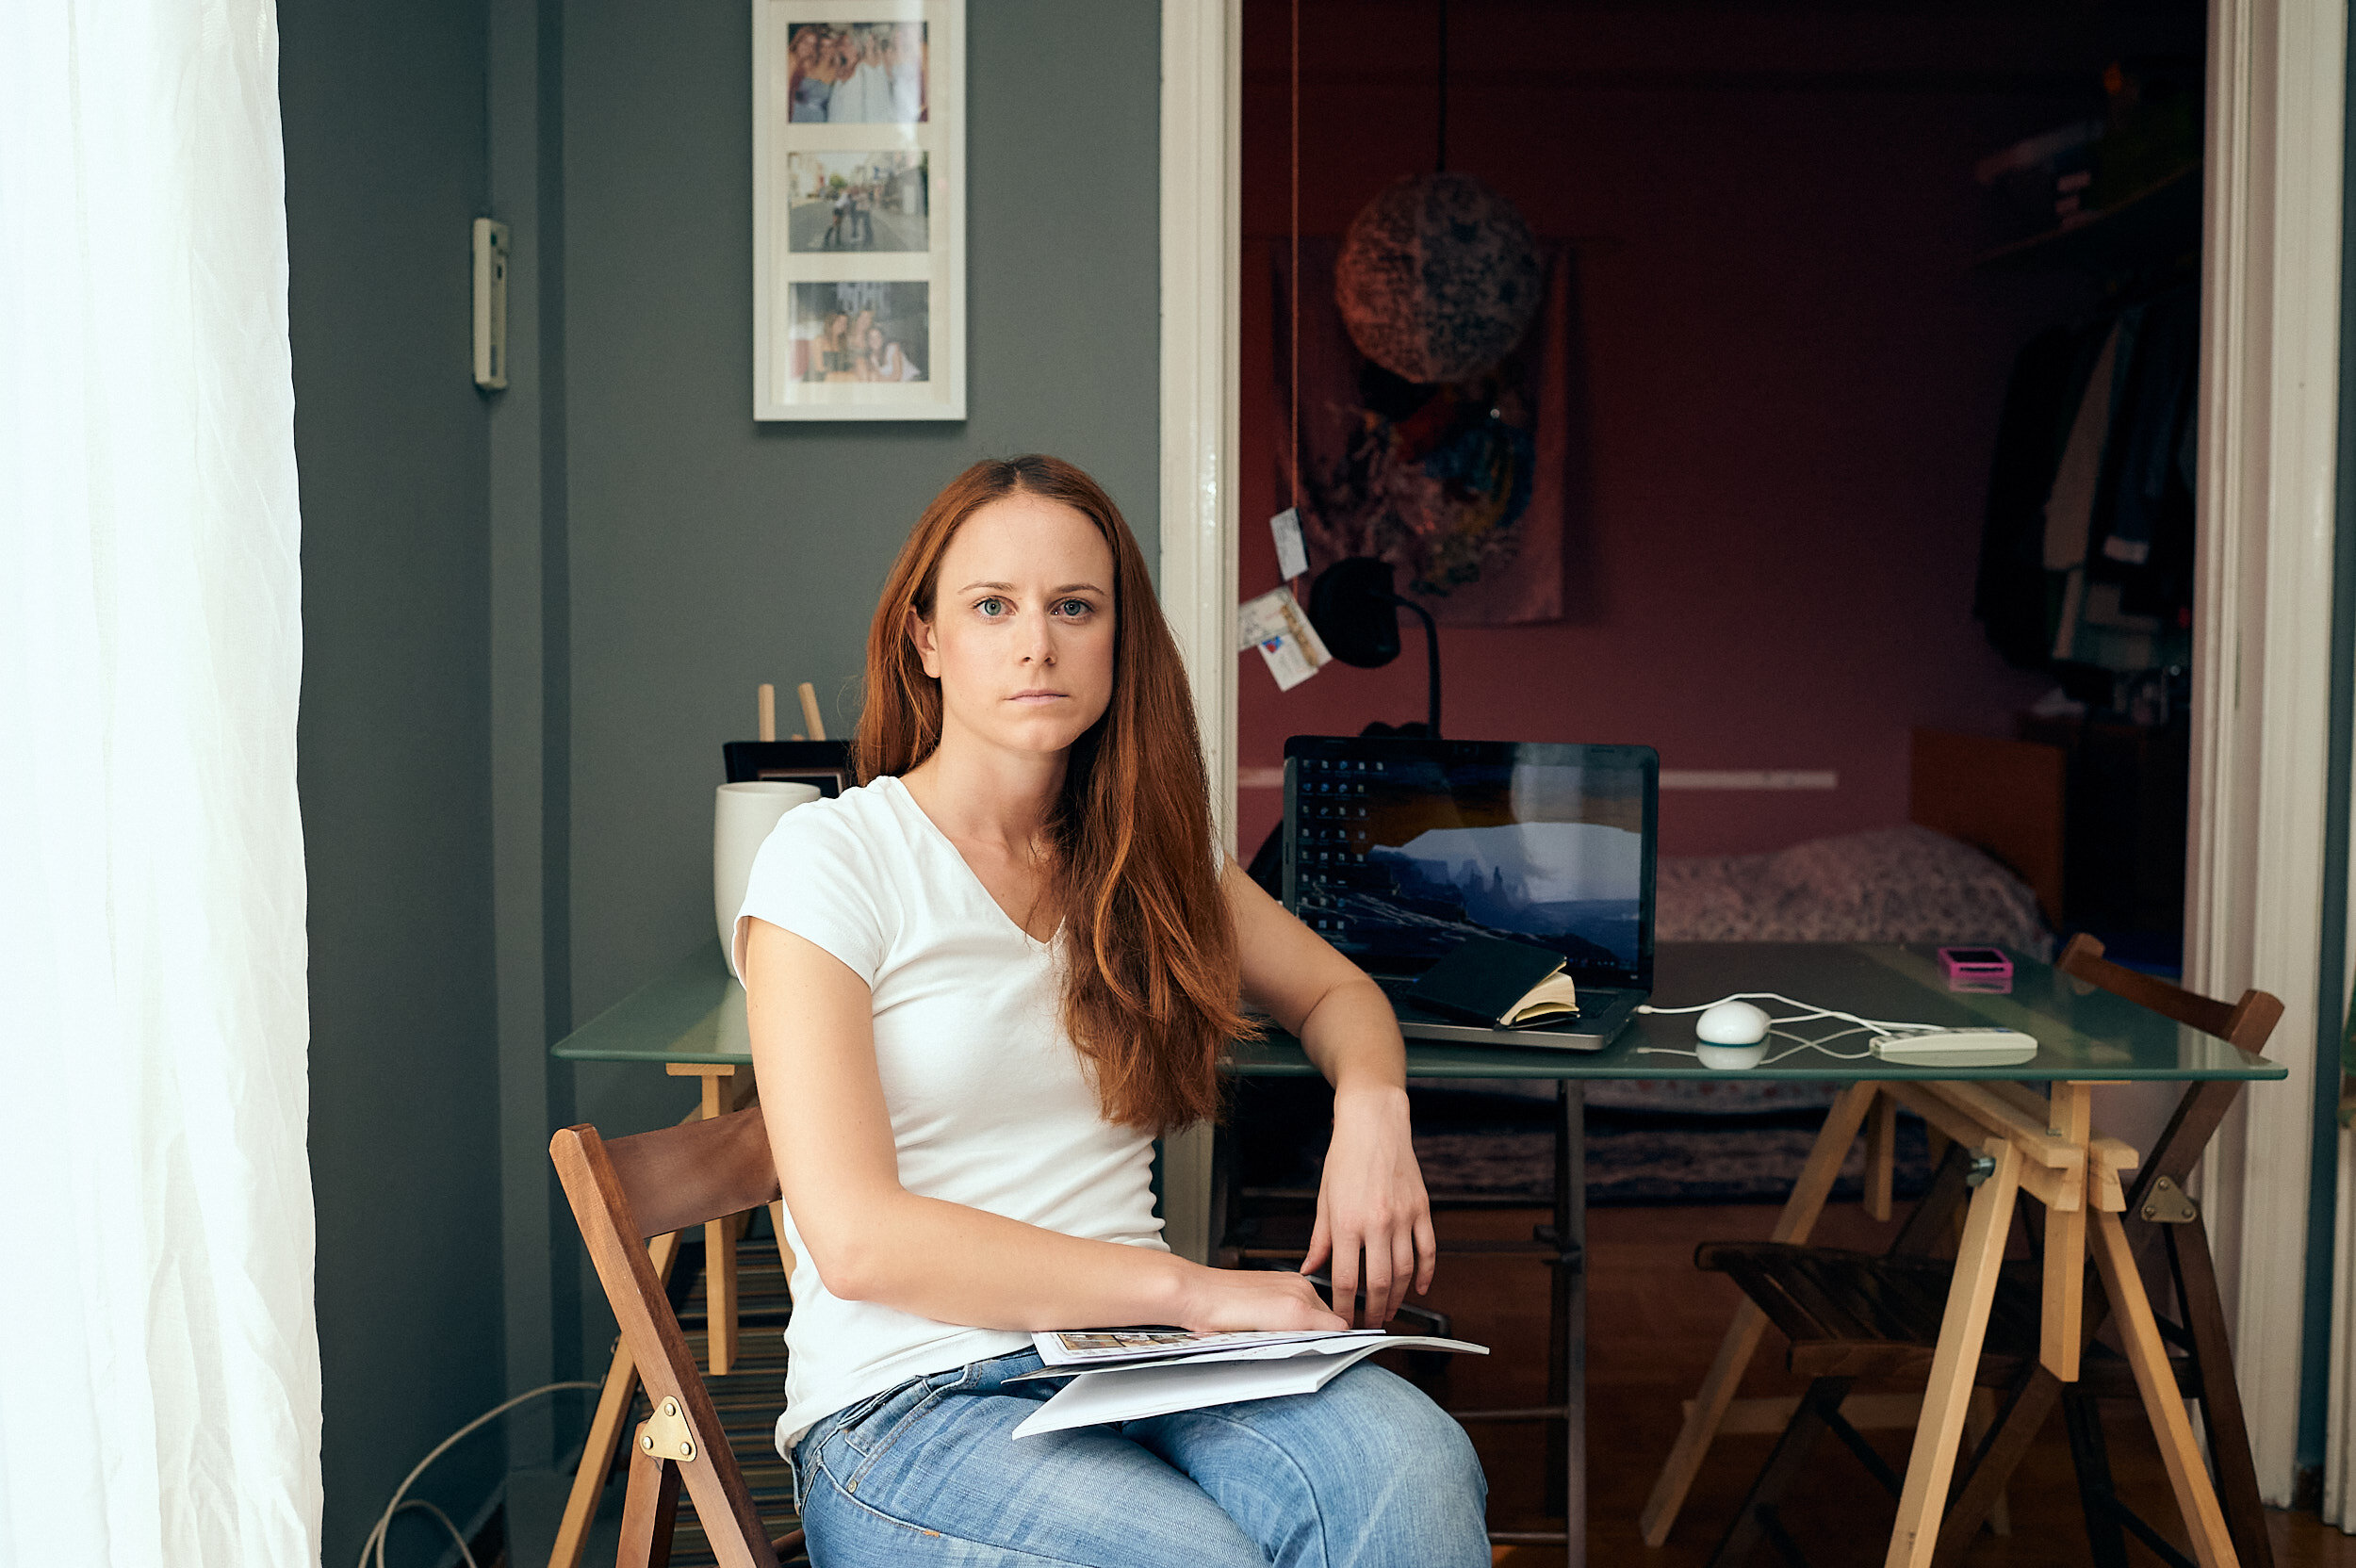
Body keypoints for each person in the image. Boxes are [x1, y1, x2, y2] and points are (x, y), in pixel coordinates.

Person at [735, 455, 1490, 1567]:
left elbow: (1339, 991)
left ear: (1117, 639)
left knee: (1416, 1461)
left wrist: (1372, 1109)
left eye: (1072, 607)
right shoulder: (831, 857)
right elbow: (854, 1237)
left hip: (1144, 1359)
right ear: (926, 639)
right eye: (992, 605)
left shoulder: (1148, 858)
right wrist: (1198, 1290)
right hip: (909, 1401)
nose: (1035, 642)